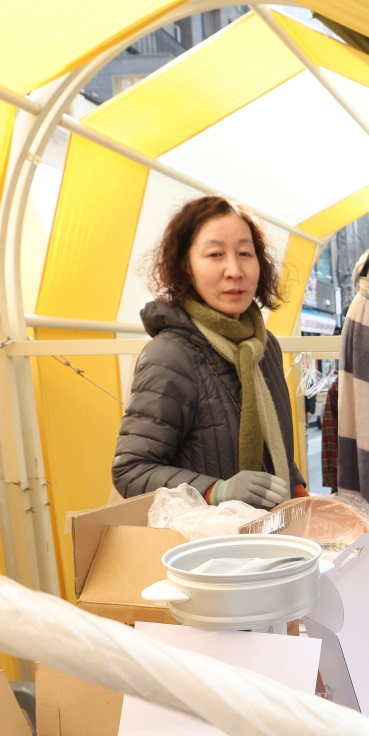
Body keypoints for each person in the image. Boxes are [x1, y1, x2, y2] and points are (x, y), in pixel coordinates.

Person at [112, 196, 306, 506]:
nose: (234, 270)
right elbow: (131, 471)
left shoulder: (264, 347)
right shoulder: (169, 355)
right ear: (185, 267)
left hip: (271, 535)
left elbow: (275, 447)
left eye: (245, 253)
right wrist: (217, 490)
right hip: (207, 545)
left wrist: (299, 493)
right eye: (215, 254)